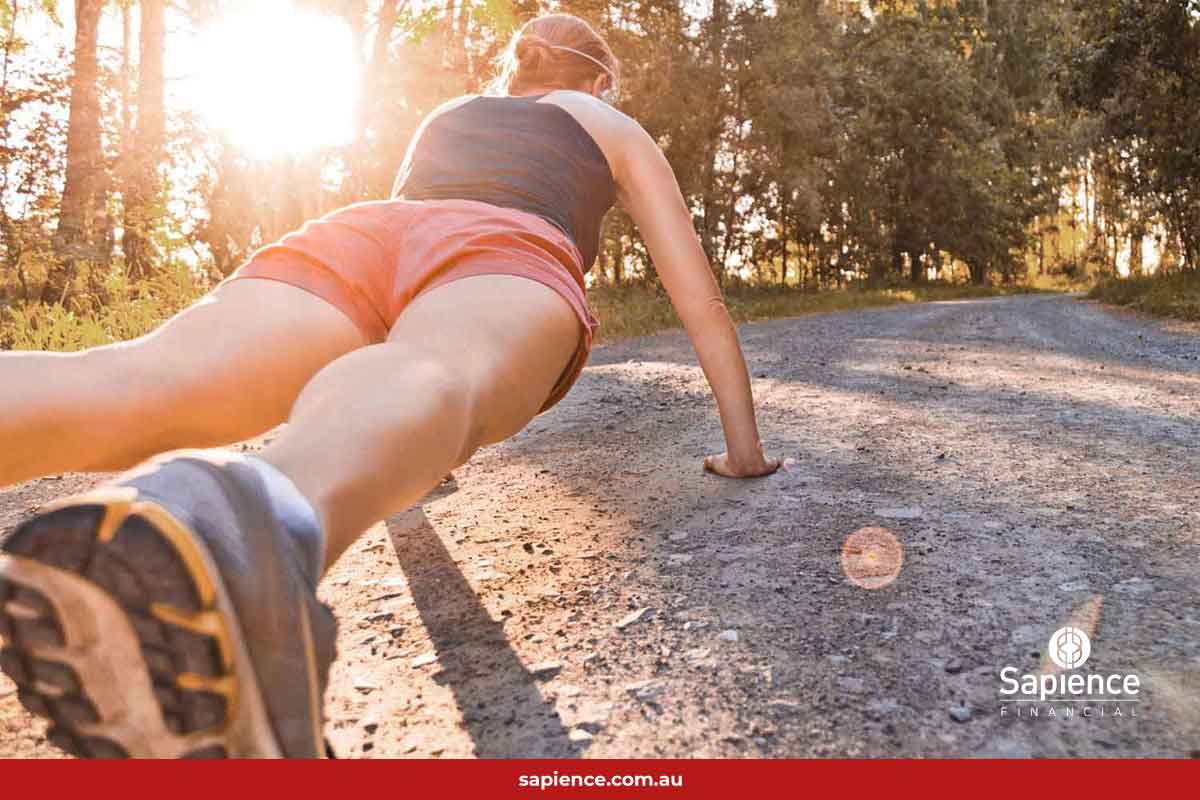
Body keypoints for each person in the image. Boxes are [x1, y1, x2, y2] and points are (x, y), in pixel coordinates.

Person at [0, 13, 779, 758]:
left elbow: (402, 265)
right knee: (435, 367)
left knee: (133, 378)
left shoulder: (452, 111)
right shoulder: (605, 121)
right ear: (598, 78)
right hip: (505, 244)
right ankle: (228, 541)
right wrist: (743, 450)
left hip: (360, 233)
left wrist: (407, 458)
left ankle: (219, 529)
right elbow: (698, 299)